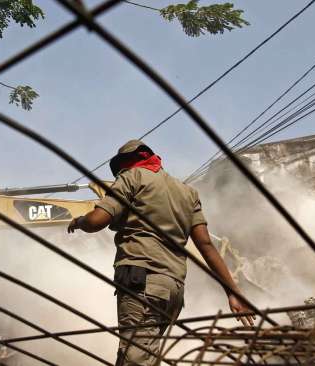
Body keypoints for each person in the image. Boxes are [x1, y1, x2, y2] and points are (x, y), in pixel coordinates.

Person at [67, 140, 254, 366]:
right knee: (141, 355)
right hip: (173, 290)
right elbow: (206, 245)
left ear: (130, 162)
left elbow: (97, 220)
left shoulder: (132, 177)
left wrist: (78, 222)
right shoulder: (188, 192)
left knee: (135, 359)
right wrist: (233, 292)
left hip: (141, 281)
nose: (121, 172)